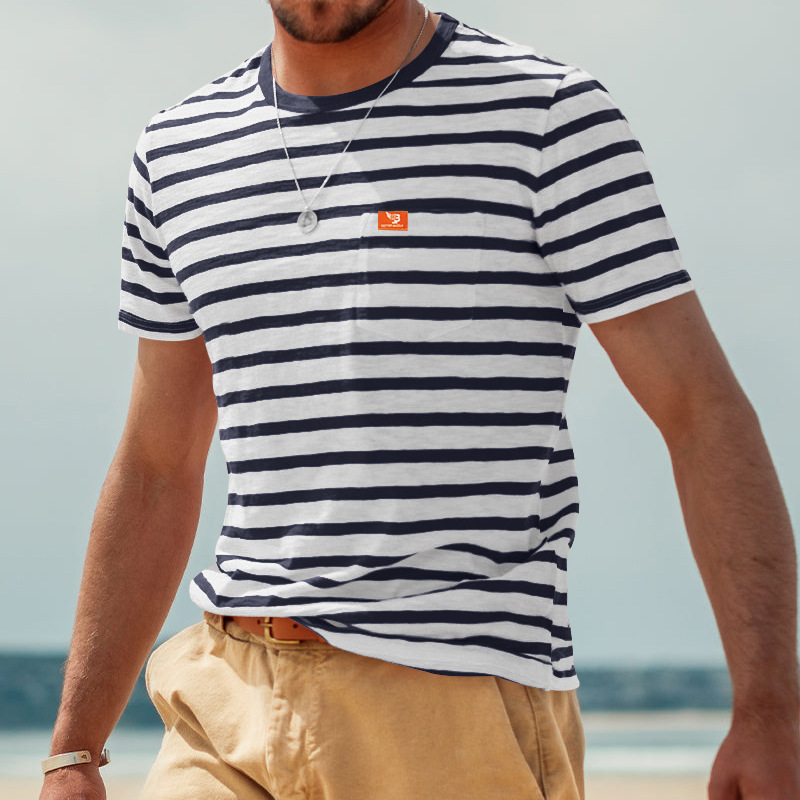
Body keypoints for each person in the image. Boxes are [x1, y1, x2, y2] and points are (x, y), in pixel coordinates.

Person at [39, 1, 799, 799]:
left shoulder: (545, 116)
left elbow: (700, 411)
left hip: (451, 701)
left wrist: (769, 711)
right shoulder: (178, 151)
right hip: (226, 694)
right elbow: (156, 465)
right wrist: (72, 751)